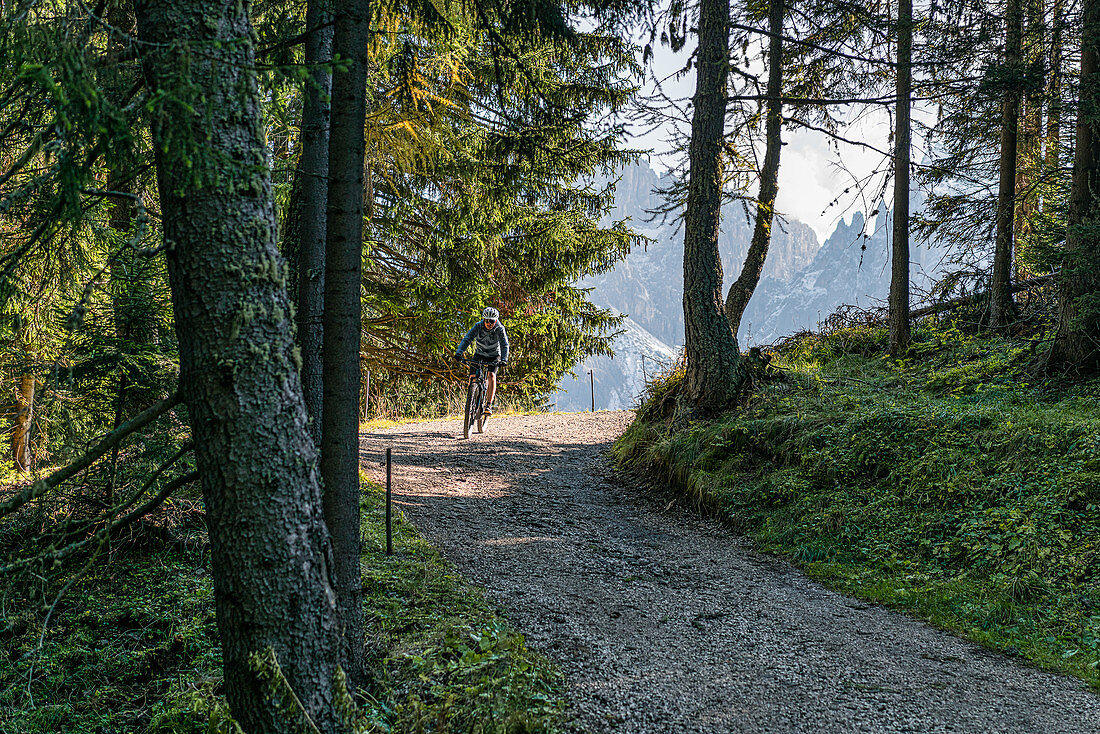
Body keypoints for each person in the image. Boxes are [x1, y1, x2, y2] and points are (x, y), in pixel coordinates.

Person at [454, 307, 509, 414]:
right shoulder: (478, 326)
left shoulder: (499, 329)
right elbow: (467, 339)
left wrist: (504, 359)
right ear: (483, 319)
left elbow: (504, 344)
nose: (489, 323)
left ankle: (488, 405)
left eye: (492, 321)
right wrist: (459, 353)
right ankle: (471, 397)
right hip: (480, 354)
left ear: (496, 320)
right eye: (486, 320)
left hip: (494, 355)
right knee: (472, 376)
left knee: (491, 375)